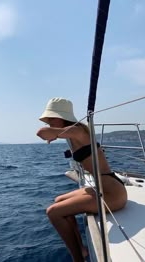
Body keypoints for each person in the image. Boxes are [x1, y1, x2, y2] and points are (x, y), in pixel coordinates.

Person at [37, 97, 127, 262]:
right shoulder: (72, 133)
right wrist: (56, 133)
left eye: (51, 118)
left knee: (53, 213)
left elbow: (41, 133)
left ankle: (77, 258)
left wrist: (53, 133)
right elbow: (48, 133)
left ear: (61, 117)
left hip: (112, 193)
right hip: (103, 187)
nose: (48, 122)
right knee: (58, 201)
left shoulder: (77, 131)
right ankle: (81, 248)